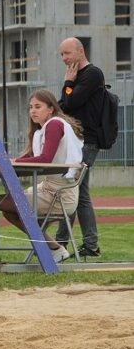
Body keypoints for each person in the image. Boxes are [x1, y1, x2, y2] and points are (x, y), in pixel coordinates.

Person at [0, 89, 84, 263]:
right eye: (30, 107)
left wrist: (8, 162)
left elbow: (45, 159)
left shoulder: (54, 124)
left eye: (38, 107)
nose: (33, 111)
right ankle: (53, 248)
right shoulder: (41, 130)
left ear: (50, 109)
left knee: (5, 203)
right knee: (6, 205)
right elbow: (29, 158)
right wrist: (5, 160)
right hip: (50, 188)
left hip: (60, 194)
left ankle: (53, 248)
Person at [55, 37, 105, 257]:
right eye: (61, 55)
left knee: (74, 190)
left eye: (67, 54)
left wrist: (68, 82)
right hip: (77, 140)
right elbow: (62, 105)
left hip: (87, 141)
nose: (65, 59)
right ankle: (64, 242)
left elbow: (71, 102)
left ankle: (71, 243)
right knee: (73, 189)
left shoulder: (92, 74)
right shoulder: (75, 78)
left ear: (80, 51)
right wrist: (68, 86)